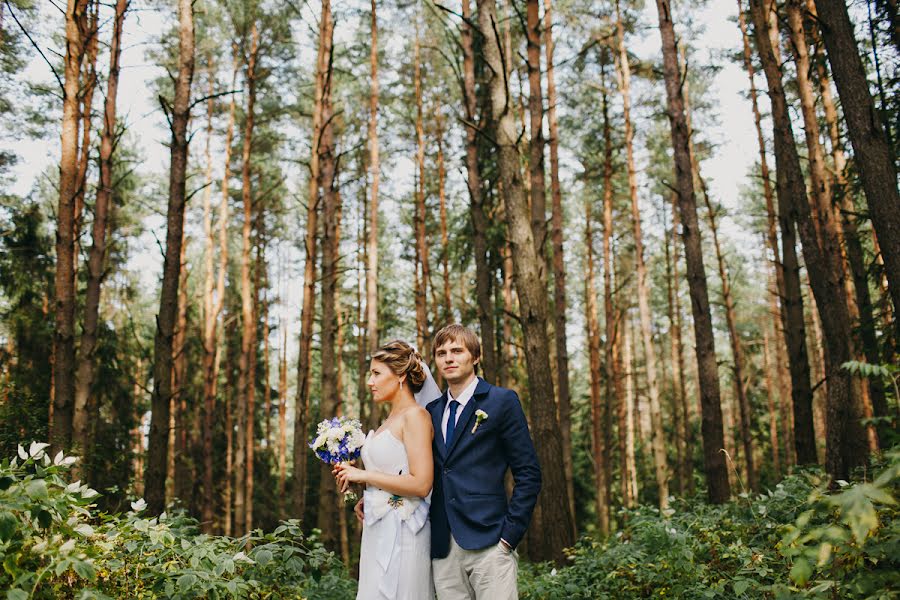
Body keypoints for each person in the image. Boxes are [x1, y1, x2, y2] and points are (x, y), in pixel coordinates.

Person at [426, 324, 541, 599]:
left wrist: (508, 537)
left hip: (490, 540)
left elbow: (528, 472)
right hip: (443, 545)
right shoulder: (431, 411)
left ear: (475, 356)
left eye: (457, 351)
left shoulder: (501, 401)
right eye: (441, 353)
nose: (448, 358)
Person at [334, 340, 438, 600]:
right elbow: (393, 471)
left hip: (405, 531)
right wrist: (367, 493)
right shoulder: (388, 420)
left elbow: (422, 483)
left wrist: (364, 475)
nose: (370, 381)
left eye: (376, 373)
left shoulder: (415, 416)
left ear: (401, 376)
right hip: (378, 527)